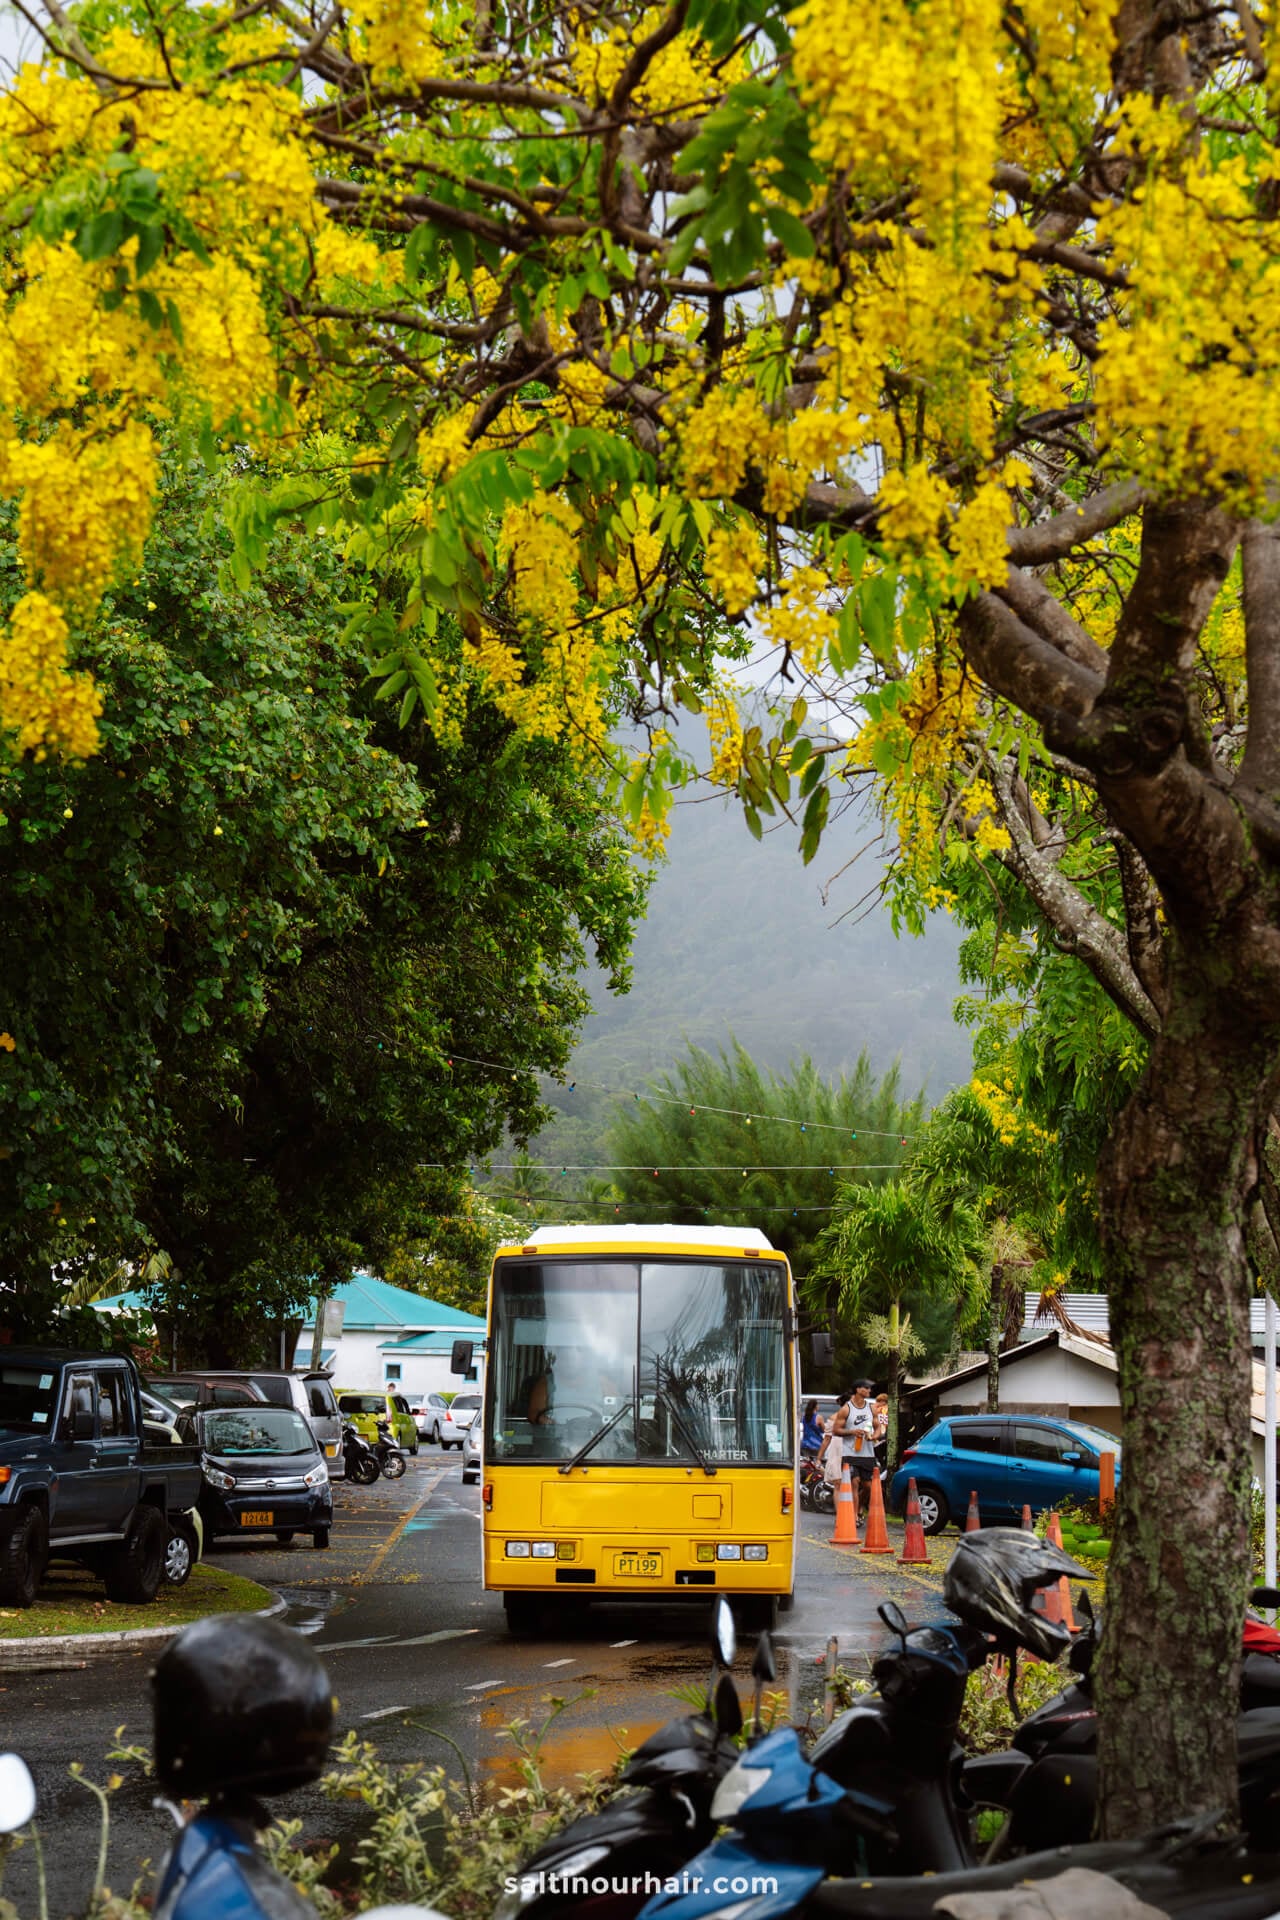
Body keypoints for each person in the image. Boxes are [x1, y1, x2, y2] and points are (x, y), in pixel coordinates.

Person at [818, 1379, 878, 1528]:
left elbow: (878, 1427)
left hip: (867, 1454)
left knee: (868, 1486)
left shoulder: (872, 1408)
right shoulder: (846, 1409)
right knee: (854, 1483)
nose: (869, 1391)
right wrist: (852, 1431)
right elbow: (836, 1430)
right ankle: (853, 1517)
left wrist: (874, 1436)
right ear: (858, 1389)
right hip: (849, 1453)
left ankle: (859, 1508)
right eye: (866, 1388)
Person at [872, 1392, 889, 1476]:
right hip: (884, 1436)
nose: (877, 1403)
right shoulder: (888, 1409)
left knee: (878, 1458)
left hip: (876, 1437)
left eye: (879, 1402)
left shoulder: (875, 1409)